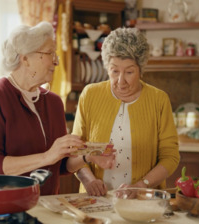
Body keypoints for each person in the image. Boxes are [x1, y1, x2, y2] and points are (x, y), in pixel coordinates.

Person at [0, 21, 113, 195]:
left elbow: (60, 165)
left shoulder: (53, 102)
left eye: (55, 54)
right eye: (49, 54)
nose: (56, 62)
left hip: (45, 204)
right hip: (3, 207)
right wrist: (48, 156)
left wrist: (87, 156)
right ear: (25, 58)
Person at [72, 27, 180, 196]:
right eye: (114, 71)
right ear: (107, 67)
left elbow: (170, 157)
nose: (121, 81)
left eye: (129, 72)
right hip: (96, 200)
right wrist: (89, 180)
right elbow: (76, 153)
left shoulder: (158, 100)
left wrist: (142, 185)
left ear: (141, 70)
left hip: (143, 201)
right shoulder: (90, 95)